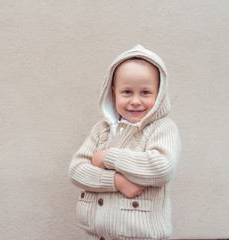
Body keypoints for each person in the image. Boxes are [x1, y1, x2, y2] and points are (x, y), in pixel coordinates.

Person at [68, 44, 181, 240]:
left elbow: (162, 167)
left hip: (140, 236)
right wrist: (116, 182)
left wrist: (108, 157)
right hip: (96, 235)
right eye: (127, 92)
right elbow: (77, 170)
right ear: (113, 93)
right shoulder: (102, 130)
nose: (136, 101)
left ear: (160, 94)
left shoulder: (162, 128)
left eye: (145, 92)